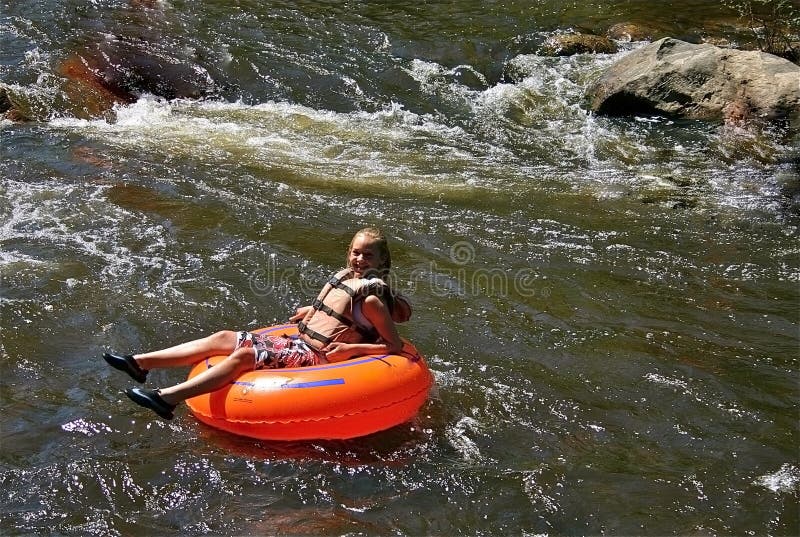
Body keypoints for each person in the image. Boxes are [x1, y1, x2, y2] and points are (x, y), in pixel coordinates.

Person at [103, 227, 412, 420]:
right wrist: (315, 311)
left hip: (318, 357)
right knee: (224, 337)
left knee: (245, 357)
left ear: (381, 262)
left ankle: (166, 399)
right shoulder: (349, 281)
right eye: (356, 253)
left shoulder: (371, 300)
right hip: (300, 343)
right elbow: (340, 312)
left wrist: (352, 350)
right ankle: (139, 364)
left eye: (368, 256)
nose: (359, 260)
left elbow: (393, 346)